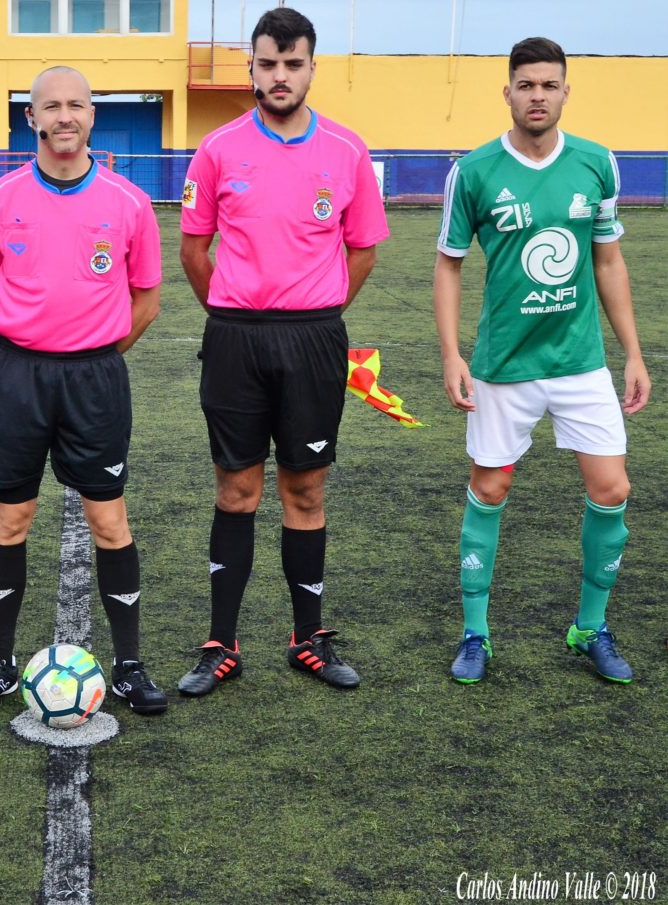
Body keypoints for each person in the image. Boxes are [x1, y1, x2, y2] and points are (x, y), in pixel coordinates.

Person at [177, 7, 388, 694]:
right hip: (235, 337)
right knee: (236, 488)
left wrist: (317, 312)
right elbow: (194, 251)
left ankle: (308, 638)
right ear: (252, 67)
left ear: (311, 69)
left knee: (305, 486)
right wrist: (232, 311)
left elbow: (362, 251)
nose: (279, 76)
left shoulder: (347, 151)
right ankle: (221, 642)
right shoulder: (217, 150)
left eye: (292, 64)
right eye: (268, 63)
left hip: (315, 338)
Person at [434, 37, 650, 684]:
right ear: (507, 91)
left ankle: (590, 627)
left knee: (612, 489)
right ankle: (476, 634)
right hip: (504, 365)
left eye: (548, 85)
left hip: (580, 362)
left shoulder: (596, 163)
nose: (537, 96)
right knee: (490, 488)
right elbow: (449, 266)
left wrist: (632, 353)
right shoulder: (474, 172)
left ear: (564, 92)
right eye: (525, 85)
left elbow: (608, 261)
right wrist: (452, 354)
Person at [0, 66, 167, 715]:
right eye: (51, 106)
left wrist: (94, 352)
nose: (65, 116)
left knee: (109, 519)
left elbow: (147, 299)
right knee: (11, 517)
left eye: (76, 104)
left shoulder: (129, 203)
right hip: (16, 377)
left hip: (94, 380)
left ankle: (129, 666)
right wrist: (33, 342)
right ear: (32, 118)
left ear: (92, 115)